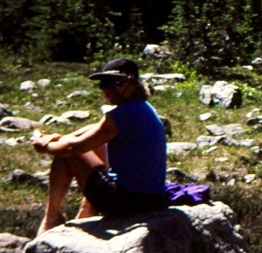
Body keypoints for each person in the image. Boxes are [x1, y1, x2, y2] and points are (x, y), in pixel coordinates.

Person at [33, 58, 168, 236]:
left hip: (126, 202)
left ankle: (51, 219)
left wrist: (45, 146)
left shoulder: (124, 113)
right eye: (104, 85)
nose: (108, 90)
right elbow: (95, 130)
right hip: (151, 199)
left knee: (68, 154)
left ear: (132, 84)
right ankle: (86, 212)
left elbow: (74, 148)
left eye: (116, 83)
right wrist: (60, 138)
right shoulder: (141, 107)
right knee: (88, 146)